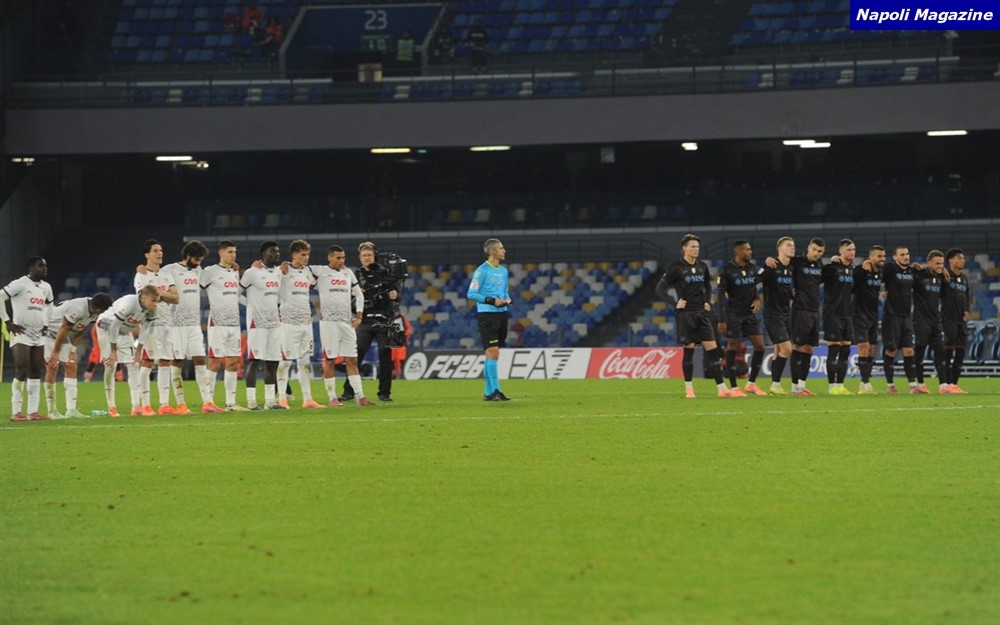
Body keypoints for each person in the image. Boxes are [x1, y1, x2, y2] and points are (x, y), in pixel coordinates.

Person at [656, 234, 740, 398]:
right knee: (689, 351)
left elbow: (707, 285)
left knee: (713, 351)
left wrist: (707, 301)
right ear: (684, 248)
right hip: (686, 315)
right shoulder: (676, 267)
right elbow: (660, 288)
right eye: (693, 246)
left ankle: (722, 389)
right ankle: (689, 388)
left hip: (702, 314)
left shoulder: (702, 266)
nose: (696, 249)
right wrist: (675, 303)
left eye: (698, 247)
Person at [149, 240, 215, 414]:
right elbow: (153, 278)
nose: (199, 262)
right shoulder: (169, 270)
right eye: (197, 259)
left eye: (201, 260)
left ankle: (208, 402)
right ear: (188, 256)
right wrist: (141, 269)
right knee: (177, 361)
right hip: (175, 324)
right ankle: (181, 403)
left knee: (200, 359)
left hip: (194, 323)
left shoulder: (198, 270)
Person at [313, 245, 374, 406]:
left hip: (347, 323)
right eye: (338, 258)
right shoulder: (320, 271)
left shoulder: (348, 273)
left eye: (343, 257)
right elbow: (298, 268)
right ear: (330, 258)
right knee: (330, 360)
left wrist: (359, 316)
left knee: (352, 360)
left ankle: (360, 397)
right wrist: (285, 265)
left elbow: (359, 295)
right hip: (329, 323)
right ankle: (332, 397)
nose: (342, 261)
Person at [340, 242, 398, 403]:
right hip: (364, 320)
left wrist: (395, 294)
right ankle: (348, 392)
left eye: (369, 255)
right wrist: (353, 294)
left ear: (374, 256)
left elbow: (396, 293)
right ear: (360, 257)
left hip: (383, 319)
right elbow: (346, 296)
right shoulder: (355, 275)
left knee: (385, 356)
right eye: (364, 255)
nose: (366, 258)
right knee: (355, 356)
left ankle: (384, 393)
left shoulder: (385, 273)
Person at [1, 257, 54, 421]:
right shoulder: (20, 283)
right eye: (40, 265)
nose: (44, 268)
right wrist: (8, 322)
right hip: (21, 333)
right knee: (22, 368)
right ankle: (16, 411)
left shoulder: (46, 287)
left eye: (45, 266)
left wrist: (46, 323)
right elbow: (0, 297)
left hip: (38, 334)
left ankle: (33, 412)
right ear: (30, 267)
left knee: (36, 370)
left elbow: (49, 305)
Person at [43, 292, 113, 418]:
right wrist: (55, 353)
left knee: (71, 366)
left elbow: (82, 328)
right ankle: (52, 411)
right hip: (48, 332)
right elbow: (63, 328)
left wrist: (73, 350)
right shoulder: (78, 308)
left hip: (62, 335)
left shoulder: (93, 311)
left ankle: (71, 410)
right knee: (52, 367)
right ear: (99, 309)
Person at [95, 285, 160, 417]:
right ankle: (111, 407)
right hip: (106, 328)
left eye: (157, 301)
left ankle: (136, 406)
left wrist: (138, 351)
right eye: (153, 300)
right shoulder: (129, 303)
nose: (155, 304)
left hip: (124, 331)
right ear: (144, 298)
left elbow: (146, 329)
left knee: (134, 364)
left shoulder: (152, 310)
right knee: (110, 365)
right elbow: (114, 326)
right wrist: (113, 351)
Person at [200, 240, 249, 412]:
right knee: (214, 362)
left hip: (234, 324)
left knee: (233, 363)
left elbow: (236, 296)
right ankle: (208, 402)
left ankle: (230, 403)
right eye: (230, 252)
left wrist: (252, 304)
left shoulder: (234, 272)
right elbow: (196, 285)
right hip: (217, 323)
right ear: (221, 253)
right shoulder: (210, 272)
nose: (233, 255)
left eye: (234, 252)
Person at [134, 239, 180, 416]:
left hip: (168, 323)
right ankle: (145, 405)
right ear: (147, 255)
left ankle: (164, 404)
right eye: (155, 250)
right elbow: (144, 299)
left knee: (166, 361)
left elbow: (176, 298)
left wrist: (158, 293)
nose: (160, 253)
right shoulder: (142, 275)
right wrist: (165, 294)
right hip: (151, 324)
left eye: (161, 250)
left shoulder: (167, 274)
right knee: (147, 361)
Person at [716, 240, 767, 396]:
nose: (750, 252)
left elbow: (753, 287)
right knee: (732, 347)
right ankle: (734, 387)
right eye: (747, 249)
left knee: (760, 346)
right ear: (738, 252)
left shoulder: (752, 268)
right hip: (733, 314)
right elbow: (720, 296)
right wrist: (721, 320)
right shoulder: (727, 270)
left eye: (750, 249)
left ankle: (751, 384)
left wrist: (757, 299)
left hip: (749, 314)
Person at [277, 239, 323, 409]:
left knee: (305, 362)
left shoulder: (308, 272)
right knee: (285, 362)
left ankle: (308, 399)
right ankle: (282, 398)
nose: (306, 257)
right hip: (288, 323)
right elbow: (266, 273)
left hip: (306, 323)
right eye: (303, 254)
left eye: (307, 254)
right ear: (294, 254)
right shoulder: (282, 270)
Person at [240, 240, 285, 410]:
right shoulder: (252, 272)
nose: (276, 254)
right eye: (272, 251)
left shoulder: (279, 272)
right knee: (254, 361)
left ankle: (270, 401)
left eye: (277, 251)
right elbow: (236, 293)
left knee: (272, 362)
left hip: (274, 323)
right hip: (257, 323)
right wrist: (250, 304)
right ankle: (251, 402)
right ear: (264, 253)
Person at [780, 237, 825, 396]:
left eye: (820, 251)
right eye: (814, 250)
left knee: (809, 348)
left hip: (814, 311)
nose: (816, 253)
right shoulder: (798, 262)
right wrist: (770, 259)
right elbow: (783, 268)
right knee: (798, 347)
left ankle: (802, 385)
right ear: (808, 247)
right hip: (800, 310)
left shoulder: (820, 265)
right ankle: (794, 387)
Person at [468, 238, 511, 401]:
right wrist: (492, 301)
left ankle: (488, 392)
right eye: (501, 248)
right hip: (487, 314)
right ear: (493, 251)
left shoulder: (504, 271)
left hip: (502, 313)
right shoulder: (482, 271)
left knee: (492, 353)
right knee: (493, 352)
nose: (504, 251)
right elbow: (471, 294)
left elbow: (505, 290)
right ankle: (496, 390)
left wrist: (507, 299)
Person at [757, 237, 796, 395]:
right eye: (789, 245)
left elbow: (784, 289)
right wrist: (754, 298)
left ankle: (775, 385)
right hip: (772, 315)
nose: (792, 248)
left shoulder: (790, 268)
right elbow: (754, 280)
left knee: (778, 350)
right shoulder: (771, 266)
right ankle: (775, 384)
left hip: (786, 314)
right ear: (779, 248)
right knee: (787, 349)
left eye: (793, 245)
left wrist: (792, 294)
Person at [882, 246, 919, 394]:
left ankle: (912, 385)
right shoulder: (890, 269)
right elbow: (875, 277)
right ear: (895, 258)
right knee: (891, 350)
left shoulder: (912, 271)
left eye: (907, 254)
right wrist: (882, 291)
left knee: (909, 350)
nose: (906, 257)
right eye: (902, 254)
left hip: (907, 317)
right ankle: (890, 385)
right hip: (892, 316)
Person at [822, 239, 856, 395]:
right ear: (841, 251)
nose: (852, 252)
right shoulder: (831, 268)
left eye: (853, 249)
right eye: (849, 249)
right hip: (832, 314)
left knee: (846, 350)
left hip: (847, 314)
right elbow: (817, 279)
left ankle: (840, 385)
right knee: (834, 348)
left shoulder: (853, 270)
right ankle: (831, 386)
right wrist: (830, 262)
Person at [912, 250, 947, 394]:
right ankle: (920, 384)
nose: (940, 266)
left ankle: (943, 385)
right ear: (929, 263)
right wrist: (913, 267)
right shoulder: (919, 275)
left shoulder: (941, 277)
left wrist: (944, 270)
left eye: (942, 263)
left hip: (936, 320)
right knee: (920, 351)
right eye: (937, 263)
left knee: (940, 352)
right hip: (921, 320)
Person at [853, 245, 886, 394]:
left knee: (872, 349)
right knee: (864, 347)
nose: (882, 259)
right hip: (859, 315)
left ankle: (865, 381)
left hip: (873, 316)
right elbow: (853, 278)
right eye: (879, 256)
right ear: (870, 257)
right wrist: (862, 267)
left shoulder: (881, 273)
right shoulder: (861, 271)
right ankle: (864, 383)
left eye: (883, 256)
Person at [940, 248, 971, 393]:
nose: (962, 261)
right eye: (959, 258)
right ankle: (946, 384)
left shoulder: (964, 278)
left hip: (961, 321)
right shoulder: (945, 276)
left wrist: (967, 310)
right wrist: (942, 270)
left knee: (960, 352)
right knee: (948, 352)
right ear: (950, 260)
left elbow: (967, 296)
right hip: (948, 320)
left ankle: (954, 384)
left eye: (963, 258)